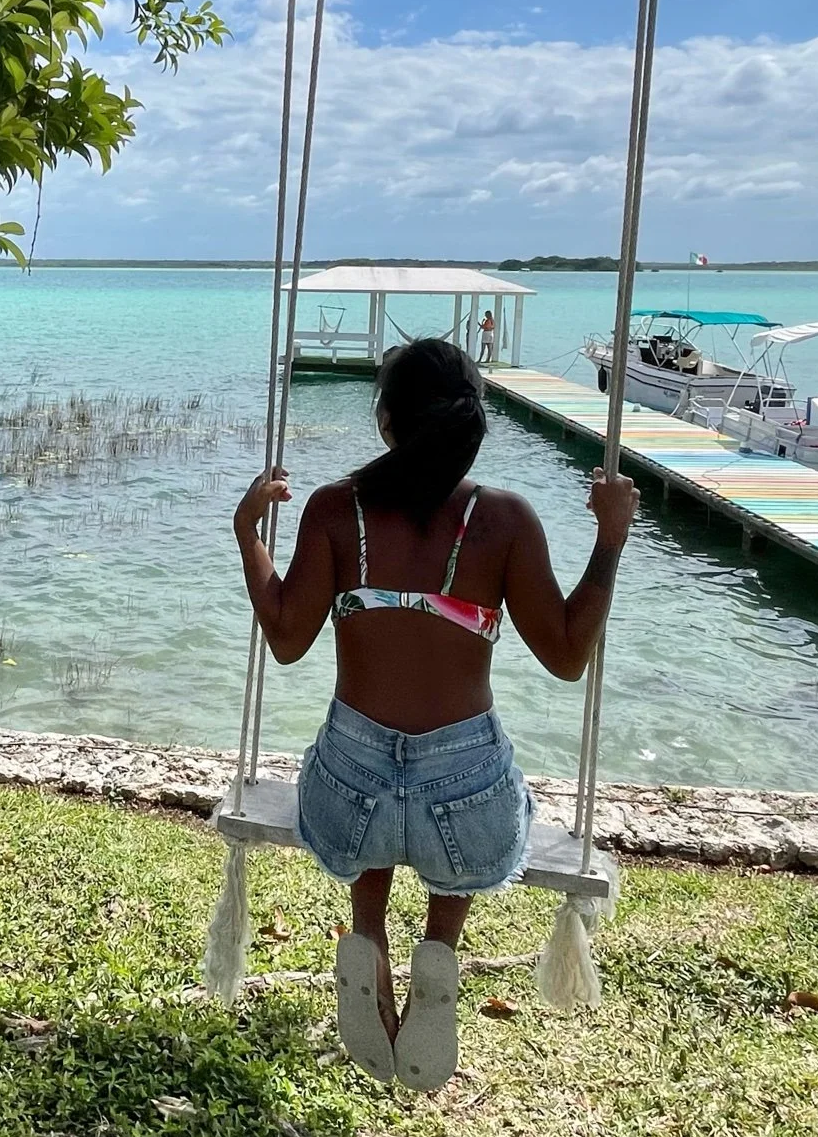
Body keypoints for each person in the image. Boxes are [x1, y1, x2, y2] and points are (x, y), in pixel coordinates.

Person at [233, 338, 637, 1089]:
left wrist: (250, 536)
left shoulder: (331, 511)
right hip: (469, 805)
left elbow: (286, 640)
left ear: (386, 422)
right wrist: (610, 538)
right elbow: (567, 654)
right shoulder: (506, 521)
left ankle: (368, 935)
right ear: (467, 426)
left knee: (363, 770)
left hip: (348, 799)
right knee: (467, 777)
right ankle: (440, 946)